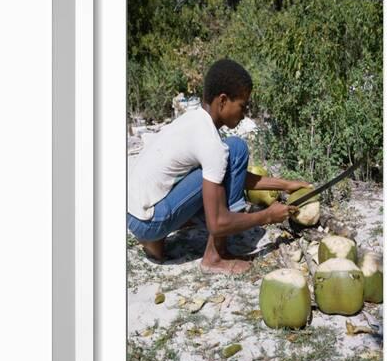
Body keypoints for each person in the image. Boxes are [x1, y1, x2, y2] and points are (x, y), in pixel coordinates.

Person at [127, 58, 311, 275]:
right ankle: (214, 256)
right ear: (222, 101)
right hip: (151, 219)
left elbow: (234, 175)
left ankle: (154, 240)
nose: (244, 113)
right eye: (242, 106)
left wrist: (285, 185)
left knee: (230, 153)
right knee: (237, 148)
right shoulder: (211, 143)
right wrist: (268, 216)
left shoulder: (193, 120)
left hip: (134, 213)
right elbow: (217, 223)